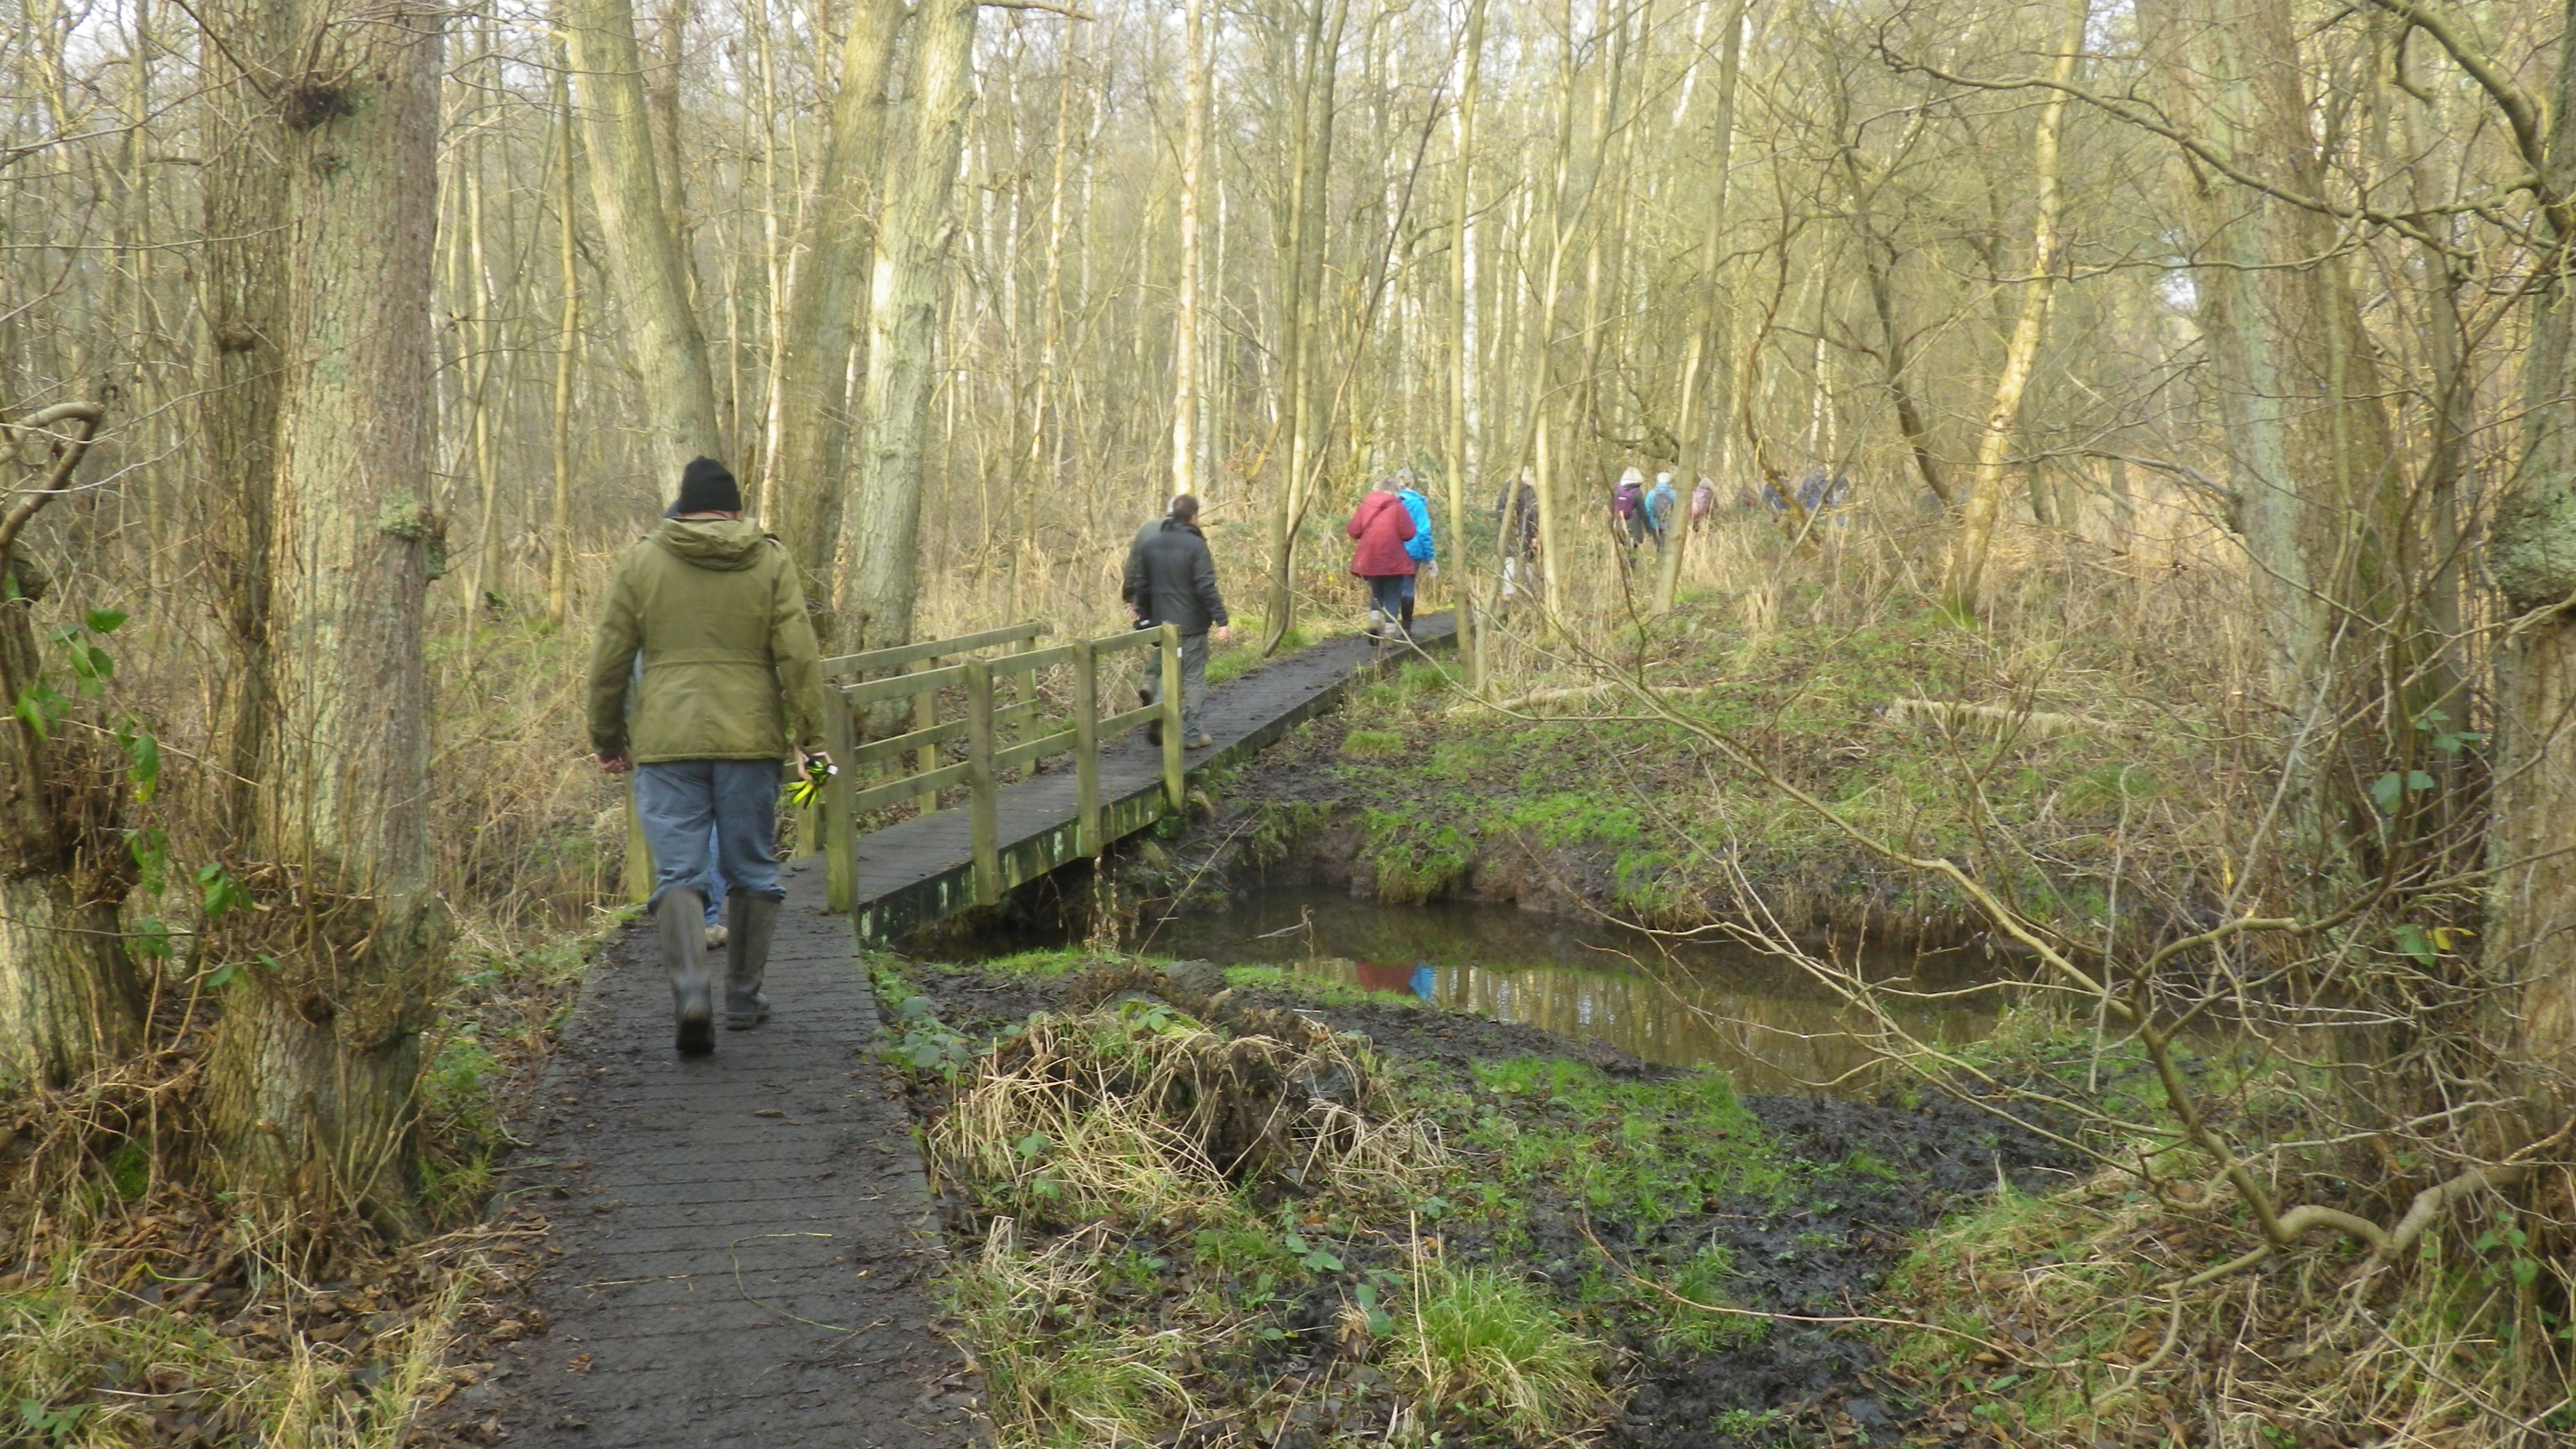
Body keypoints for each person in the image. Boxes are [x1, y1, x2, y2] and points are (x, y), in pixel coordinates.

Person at [588, 457, 829, 1055]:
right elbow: (798, 654)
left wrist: (607, 739)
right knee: (751, 870)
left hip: (667, 742)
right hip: (749, 738)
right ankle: (744, 1000)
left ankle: (692, 991)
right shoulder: (769, 558)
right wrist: (812, 739)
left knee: (679, 874)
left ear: (683, 503)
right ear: (735, 509)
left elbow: (611, 656)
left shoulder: (643, 560)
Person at [1122, 491, 1231, 750]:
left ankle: (1162, 723)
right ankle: (1192, 733)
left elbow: (1142, 584)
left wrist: (1145, 613)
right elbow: (1205, 586)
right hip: (1192, 625)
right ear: (1194, 518)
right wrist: (1221, 620)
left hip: (1163, 625)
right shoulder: (1196, 545)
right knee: (1192, 677)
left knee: (1168, 676)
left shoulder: (1152, 545)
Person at [1347, 477, 1417, 640]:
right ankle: (1390, 632)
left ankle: (1374, 621)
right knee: (1393, 593)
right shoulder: (1398, 507)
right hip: (1393, 558)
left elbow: (1353, 531)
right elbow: (1409, 533)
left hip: (1369, 558)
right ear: (1394, 491)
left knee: (1376, 591)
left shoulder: (1366, 505)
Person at [1394, 469, 1436, 630]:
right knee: (1408, 587)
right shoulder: (1418, 504)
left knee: (1392, 586)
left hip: (1393, 549)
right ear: (1412, 482)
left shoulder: (1392, 502)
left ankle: (1390, 624)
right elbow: (1424, 531)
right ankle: (1406, 626)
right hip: (1413, 550)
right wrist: (1429, 557)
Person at [1495, 468, 1540, 601]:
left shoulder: (1505, 489)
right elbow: (1532, 515)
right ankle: (1529, 593)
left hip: (1507, 532)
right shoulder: (1530, 491)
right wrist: (1533, 535)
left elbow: (1499, 513)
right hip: (1527, 530)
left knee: (1509, 561)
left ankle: (1509, 593)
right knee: (1529, 562)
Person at [1642, 471, 1678, 552]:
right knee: (1666, 546)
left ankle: (1659, 560)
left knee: (1658, 546)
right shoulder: (1674, 494)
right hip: (1669, 525)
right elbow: (1677, 510)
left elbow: (1647, 509)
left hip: (1655, 524)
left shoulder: (1651, 494)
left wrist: (1650, 523)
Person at [1612, 467, 1644, 548]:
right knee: (1632, 552)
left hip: (1620, 525)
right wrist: (1649, 528)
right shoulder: (1637, 493)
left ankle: (1623, 560)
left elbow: (1612, 506)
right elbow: (1642, 511)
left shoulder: (1617, 491)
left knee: (1623, 550)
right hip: (1634, 527)